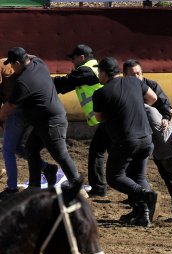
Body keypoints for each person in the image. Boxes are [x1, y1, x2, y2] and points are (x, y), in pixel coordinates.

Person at [0, 47, 83, 191]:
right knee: (31, 149)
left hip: (51, 122)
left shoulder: (24, 82)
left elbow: (8, 107)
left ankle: (77, 187)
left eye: (12, 64)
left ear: (19, 63)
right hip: (43, 120)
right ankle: (34, 186)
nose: (11, 67)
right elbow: (33, 55)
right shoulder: (39, 63)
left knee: (61, 154)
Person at [92, 57, 159, 227]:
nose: (98, 76)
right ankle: (142, 214)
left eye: (99, 72)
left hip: (126, 140)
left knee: (115, 177)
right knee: (138, 176)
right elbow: (153, 98)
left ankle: (145, 195)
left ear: (104, 74)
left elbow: (100, 118)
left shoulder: (101, 93)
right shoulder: (134, 82)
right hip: (146, 137)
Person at [123, 59, 172, 221]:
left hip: (154, 134)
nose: (136, 77)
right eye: (132, 75)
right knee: (132, 172)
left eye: (138, 73)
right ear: (125, 76)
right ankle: (137, 207)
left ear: (142, 73)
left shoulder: (152, 85)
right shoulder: (123, 87)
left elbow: (167, 106)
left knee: (165, 171)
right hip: (135, 134)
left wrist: (166, 117)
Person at [53, 44, 110, 197]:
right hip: (106, 119)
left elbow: (64, 83)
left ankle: (100, 188)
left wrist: (43, 83)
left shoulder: (86, 71)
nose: (72, 61)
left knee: (98, 153)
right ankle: (101, 188)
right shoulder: (92, 69)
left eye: (73, 58)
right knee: (101, 152)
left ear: (82, 57)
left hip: (107, 120)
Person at [0, 57, 58, 199]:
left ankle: (12, 188)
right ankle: (47, 168)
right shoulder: (14, 62)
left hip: (17, 108)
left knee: (7, 150)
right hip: (32, 108)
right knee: (18, 147)